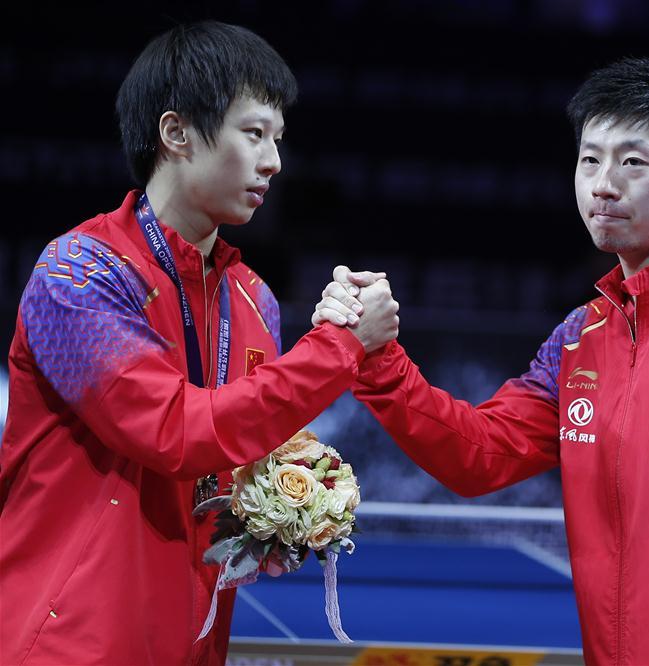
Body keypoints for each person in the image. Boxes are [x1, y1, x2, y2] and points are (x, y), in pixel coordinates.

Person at [316, 56, 649, 666]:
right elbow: (477, 456)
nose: (603, 183)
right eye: (590, 159)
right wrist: (376, 356)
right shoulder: (581, 339)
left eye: (633, 161)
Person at [0, 21, 398, 665]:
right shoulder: (78, 273)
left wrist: (294, 498)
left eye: (278, 139)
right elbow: (172, 434)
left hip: (193, 643)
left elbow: (237, 447)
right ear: (177, 133)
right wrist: (337, 349)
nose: (274, 161)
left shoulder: (254, 298)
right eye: (253, 133)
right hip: (69, 643)